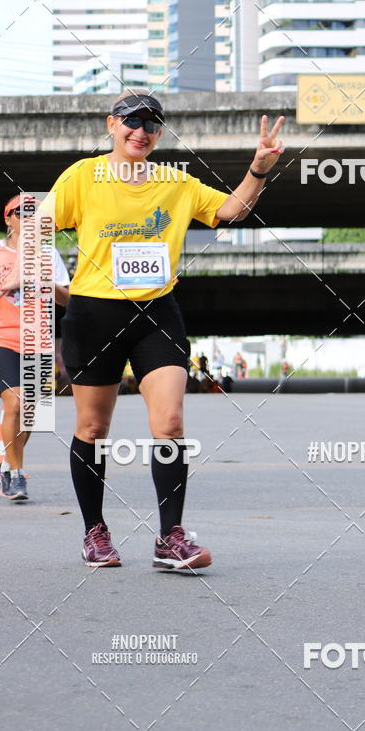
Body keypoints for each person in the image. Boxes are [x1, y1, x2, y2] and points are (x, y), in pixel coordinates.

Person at [32, 88, 284, 569]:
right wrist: (20, 265)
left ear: (160, 134)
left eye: (151, 125)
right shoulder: (84, 176)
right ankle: (95, 532)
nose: (140, 132)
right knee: (92, 427)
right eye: (131, 121)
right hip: (93, 313)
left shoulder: (176, 182)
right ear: (111, 125)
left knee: (169, 423)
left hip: (156, 314)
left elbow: (231, 211)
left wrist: (258, 169)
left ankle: (170, 537)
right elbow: (42, 227)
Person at [0, 194, 70, 500]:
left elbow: (68, 299)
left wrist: (44, 280)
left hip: (37, 341)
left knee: (29, 414)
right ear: (8, 219)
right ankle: (16, 473)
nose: (28, 218)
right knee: (16, 401)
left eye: (34, 213)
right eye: (21, 213)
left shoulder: (48, 255)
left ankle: (7, 467)